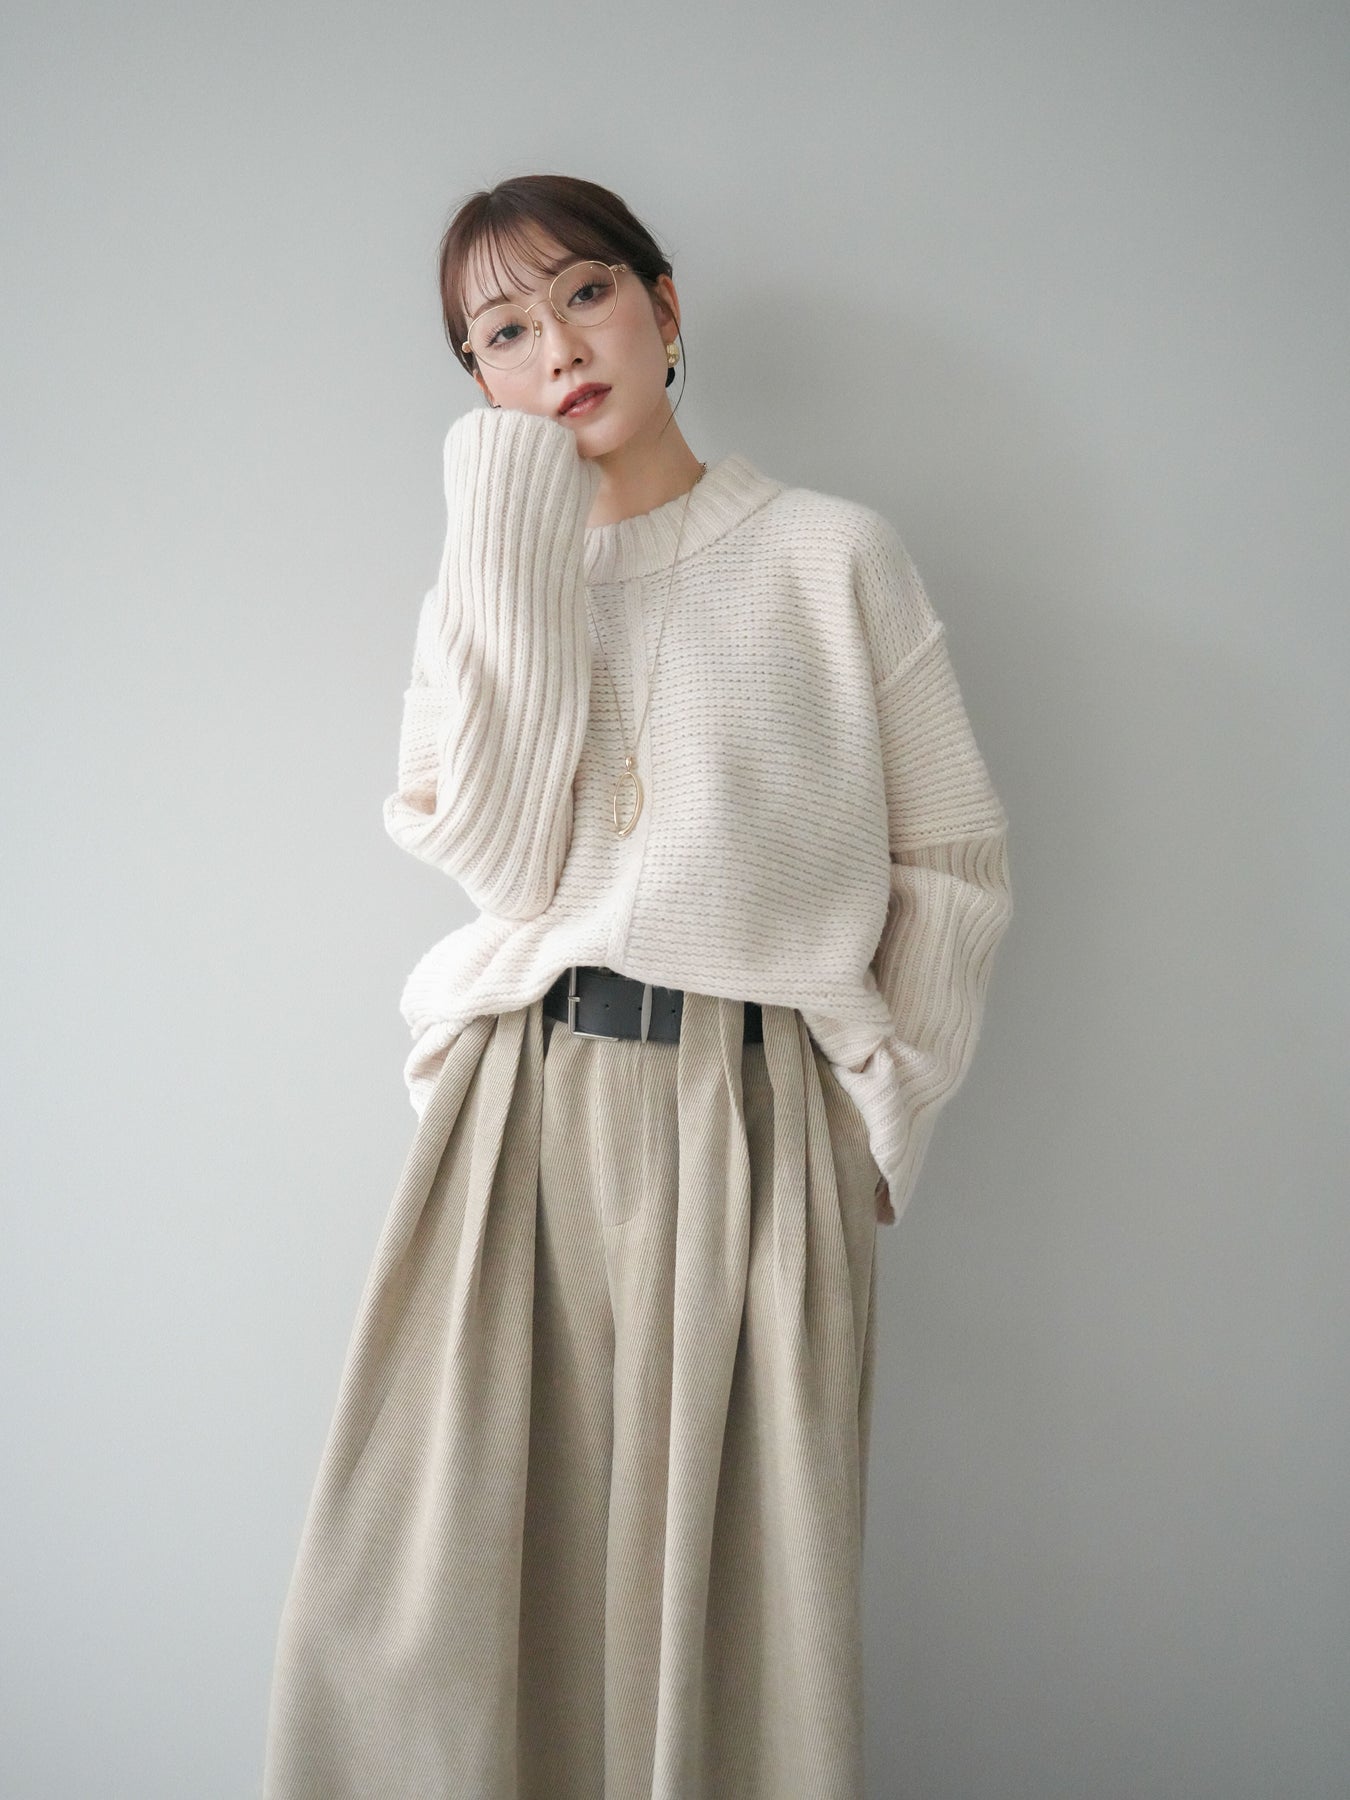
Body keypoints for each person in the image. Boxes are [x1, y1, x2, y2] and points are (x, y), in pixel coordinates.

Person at [262, 173, 1013, 1799]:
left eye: (584, 295)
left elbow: (953, 859)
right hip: (513, 1120)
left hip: (754, 1115)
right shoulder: (481, 592)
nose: (556, 349)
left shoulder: (830, 556)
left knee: (734, 1619)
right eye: (499, 334)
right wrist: (508, 530)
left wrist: (874, 1127)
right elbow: (501, 860)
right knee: (433, 1600)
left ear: (664, 310)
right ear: (477, 386)